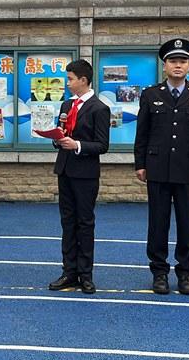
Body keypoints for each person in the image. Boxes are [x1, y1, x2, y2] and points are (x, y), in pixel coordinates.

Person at [134, 38, 189, 295]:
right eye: (173, 61)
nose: (178, 65)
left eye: (183, 61)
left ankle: (186, 272)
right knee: (158, 222)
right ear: (164, 65)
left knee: (187, 223)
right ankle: (159, 272)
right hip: (157, 167)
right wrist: (140, 163)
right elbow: (142, 132)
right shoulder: (150, 95)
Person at [48, 59, 110, 295]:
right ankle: (69, 271)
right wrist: (57, 139)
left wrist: (77, 145)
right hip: (65, 169)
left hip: (85, 174)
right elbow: (62, 133)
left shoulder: (99, 108)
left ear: (83, 80)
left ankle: (85, 274)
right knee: (67, 222)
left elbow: (102, 145)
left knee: (84, 223)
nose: (68, 83)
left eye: (70, 79)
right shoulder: (67, 105)